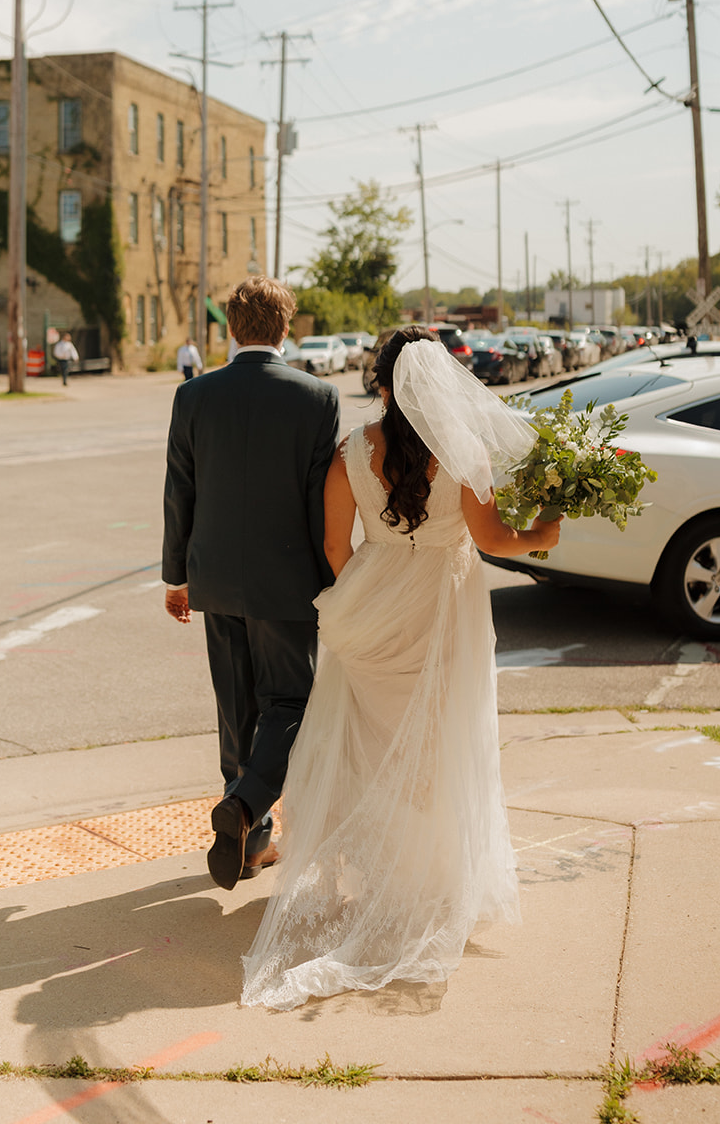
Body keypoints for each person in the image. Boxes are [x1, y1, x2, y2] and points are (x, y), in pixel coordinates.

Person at [241, 324, 562, 1011]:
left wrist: (371, 599)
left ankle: (382, 875)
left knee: (372, 741)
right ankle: (428, 882)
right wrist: (545, 534)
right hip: (444, 608)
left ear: (382, 383)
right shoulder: (461, 451)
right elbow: (495, 539)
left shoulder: (350, 452)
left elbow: (334, 544)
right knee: (440, 741)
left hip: (373, 606)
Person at [162, 276, 340, 891]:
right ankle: (244, 808)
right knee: (290, 701)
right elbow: (320, 503)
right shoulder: (317, 397)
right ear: (285, 327)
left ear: (229, 329)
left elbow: (179, 491)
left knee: (236, 706)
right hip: (287, 579)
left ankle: (248, 839)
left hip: (213, 576)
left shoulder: (194, 395)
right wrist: (331, 580)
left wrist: (176, 577)